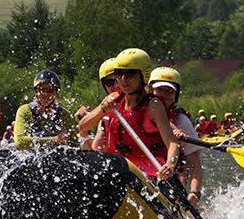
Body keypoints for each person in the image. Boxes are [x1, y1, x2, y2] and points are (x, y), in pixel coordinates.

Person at [83, 48, 181, 181]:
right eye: (119, 74)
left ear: (143, 76)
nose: (123, 79)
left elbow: (172, 142)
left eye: (130, 74)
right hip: (118, 171)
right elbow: (83, 126)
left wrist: (170, 165)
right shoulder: (113, 99)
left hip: (149, 175)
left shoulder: (153, 105)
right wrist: (102, 109)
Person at [148, 66, 203, 205]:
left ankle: (177, 204)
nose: (164, 95)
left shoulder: (182, 121)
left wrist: (194, 193)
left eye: (169, 91)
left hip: (169, 179)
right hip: (144, 175)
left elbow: (195, 165)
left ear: (175, 95)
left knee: (181, 173)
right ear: (150, 90)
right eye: (159, 90)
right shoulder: (139, 113)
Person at [13, 70, 79, 150]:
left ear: (55, 93)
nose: (46, 94)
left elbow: (75, 145)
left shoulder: (64, 115)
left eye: (50, 90)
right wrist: (54, 140)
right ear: (36, 92)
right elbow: (20, 141)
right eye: (42, 90)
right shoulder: (25, 111)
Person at [77, 58, 120, 151]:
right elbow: (93, 155)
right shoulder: (105, 117)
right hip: (120, 160)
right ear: (105, 87)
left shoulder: (144, 107)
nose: (116, 86)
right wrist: (84, 131)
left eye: (119, 79)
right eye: (110, 82)